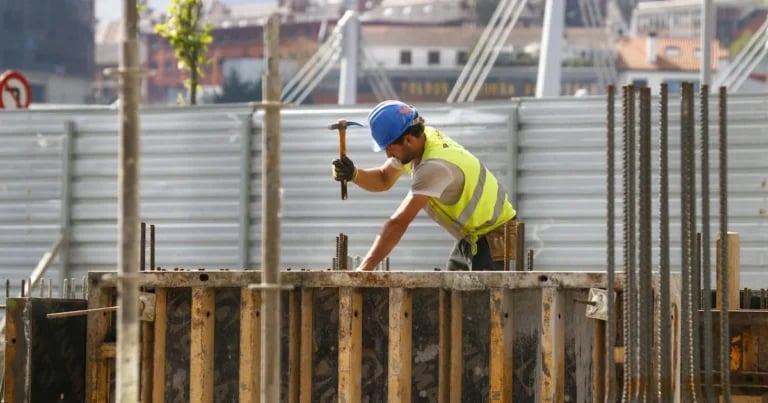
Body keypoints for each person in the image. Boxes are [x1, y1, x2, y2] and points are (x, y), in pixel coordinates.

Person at [332, 100, 518, 272]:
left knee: (486, 305)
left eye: (389, 147)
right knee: (451, 298)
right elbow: (383, 178)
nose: (388, 155)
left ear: (409, 140)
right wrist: (353, 174)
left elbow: (398, 223)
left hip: (497, 239)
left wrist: (362, 272)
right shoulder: (420, 141)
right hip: (472, 238)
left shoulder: (434, 165)